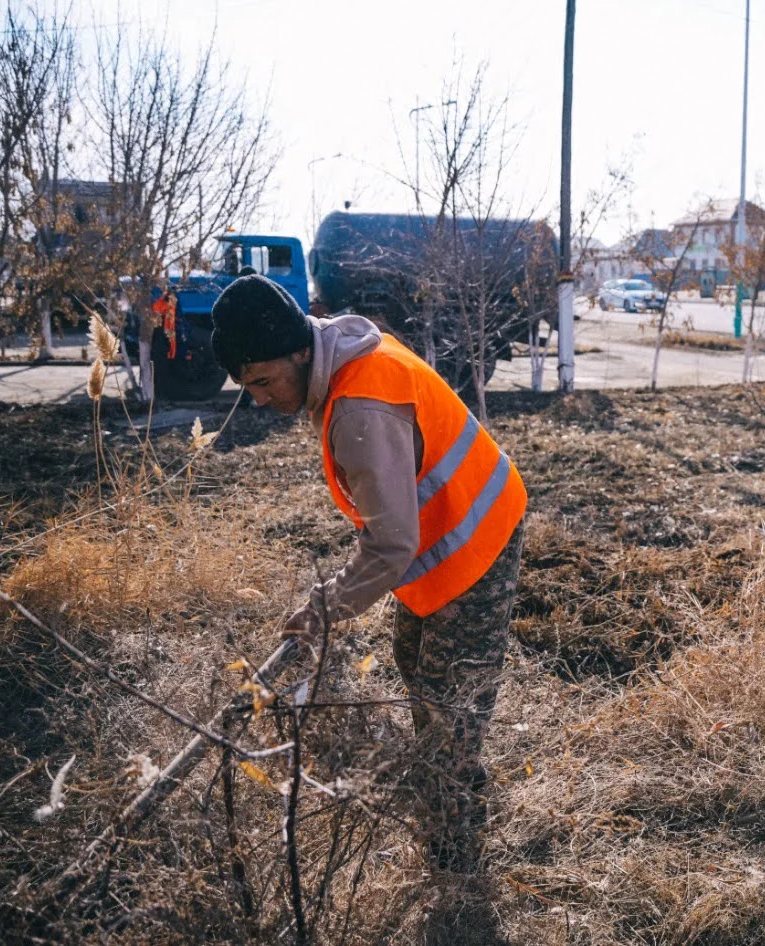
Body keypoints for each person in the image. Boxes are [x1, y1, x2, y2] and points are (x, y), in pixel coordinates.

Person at [209, 275, 527, 928]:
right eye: (250, 390)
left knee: (448, 718)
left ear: (298, 351)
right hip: (447, 536)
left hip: (478, 537)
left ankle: (458, 884)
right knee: (416, 669)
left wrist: (324, 606)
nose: (264, 402)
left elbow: (390, 546)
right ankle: (451, 811)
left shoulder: (360, 407)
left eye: (266, 382)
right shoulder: (338, 350)